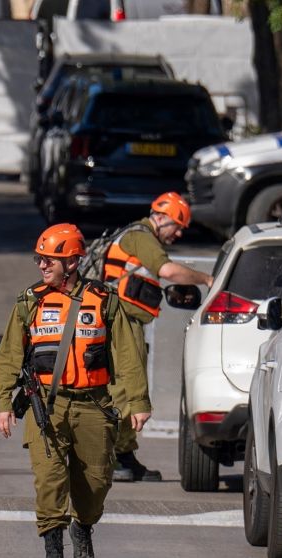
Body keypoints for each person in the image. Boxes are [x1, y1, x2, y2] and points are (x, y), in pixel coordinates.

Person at [0, 223, 151, 558]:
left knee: (95, 484)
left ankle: (83, 527)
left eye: (49, 259)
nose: (42, 265)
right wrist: (3, 403)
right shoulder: (29, 302)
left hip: (94, 404)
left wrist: (138, 400)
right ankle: (54, 549)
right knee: (49, 481)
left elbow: (127, 353)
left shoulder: (104, 300)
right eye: (39, 259)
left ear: (73, 262)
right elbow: (8, 355)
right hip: (46, 406)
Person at [100, 192, 213, 482]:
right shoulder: (141, 237)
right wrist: (206, 279)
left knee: (128, 387)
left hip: (125, 322)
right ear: (160, 218)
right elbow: (168, 270)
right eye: (177, 226)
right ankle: (110, 456)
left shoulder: (137, 237)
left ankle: (124, 454)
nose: (179, 233)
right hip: (122, 323)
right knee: (124, 389)